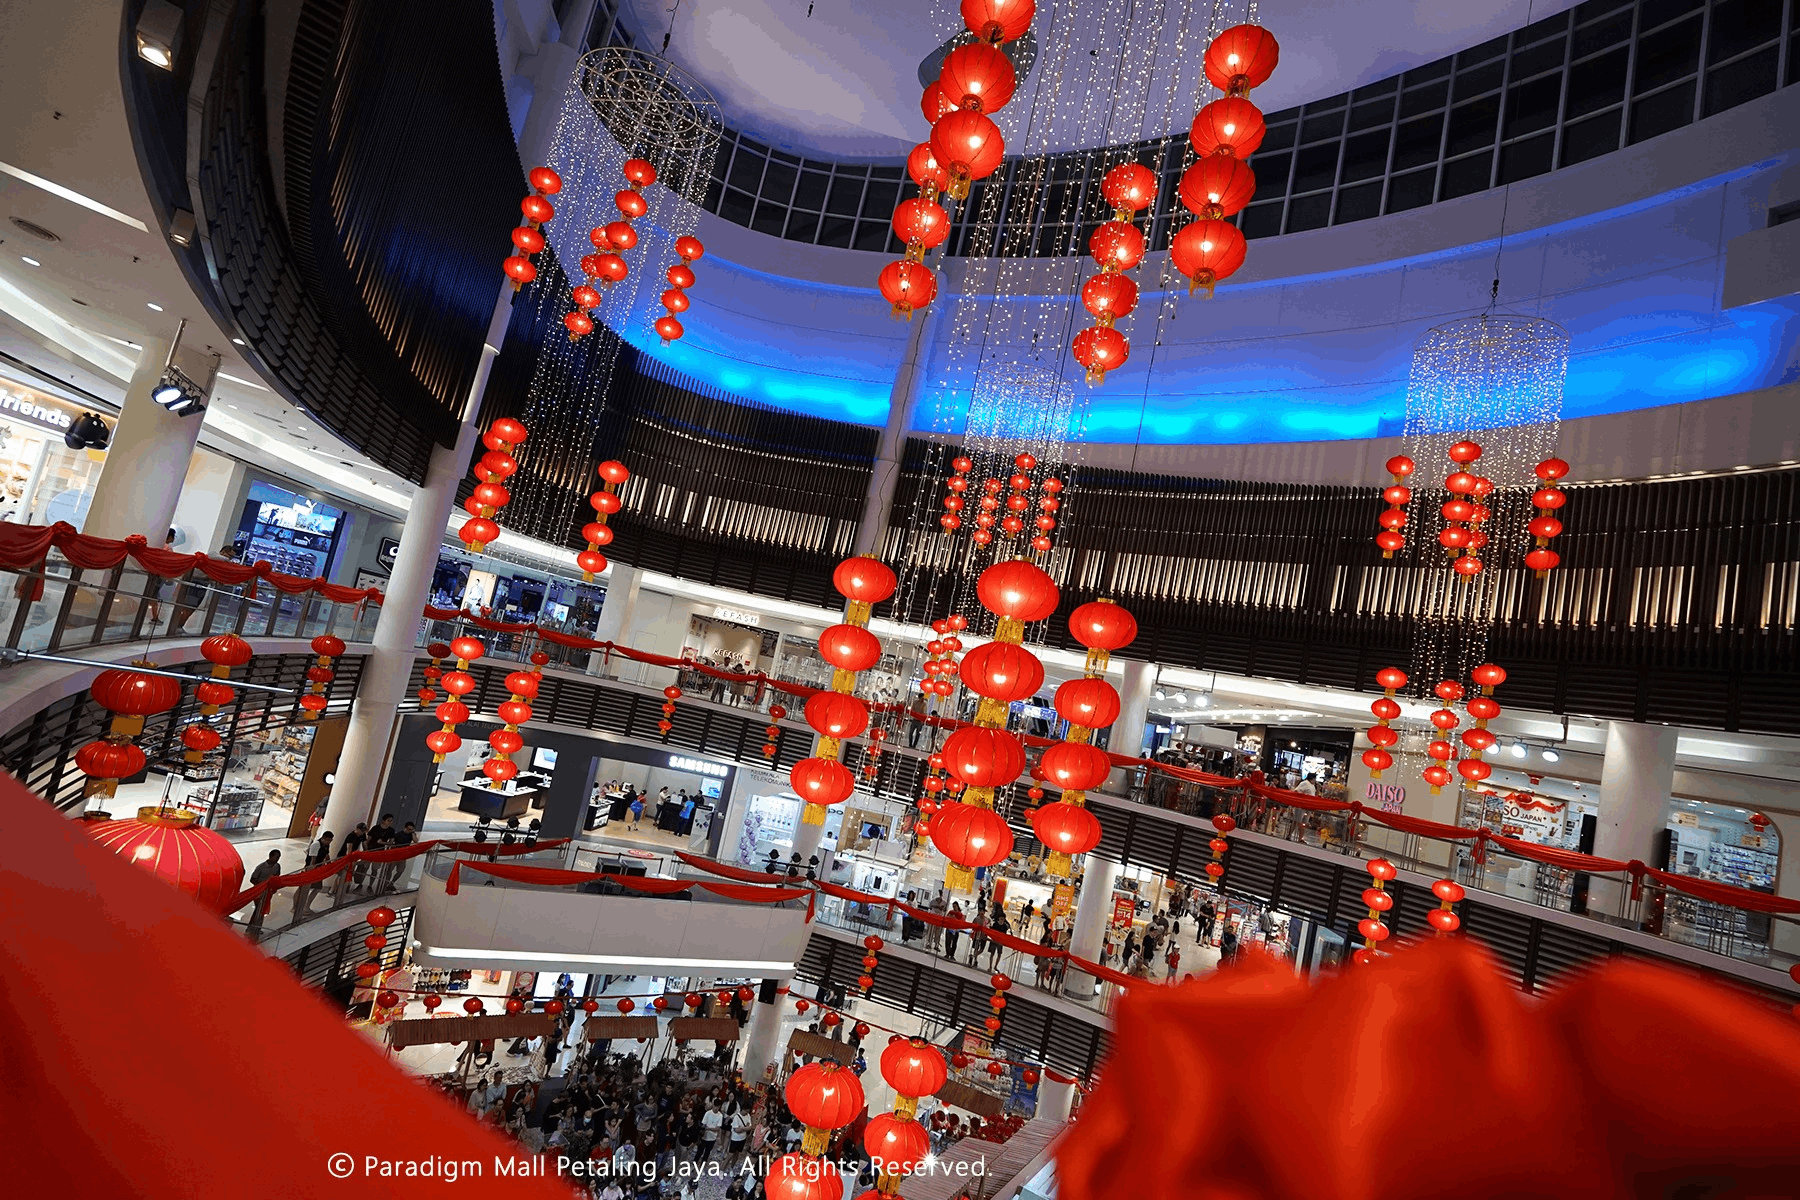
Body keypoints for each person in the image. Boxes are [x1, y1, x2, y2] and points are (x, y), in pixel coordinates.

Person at [245, 850, 282, 934]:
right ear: (270, 856)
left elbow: (277, 876)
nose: (277, 859)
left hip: (268, 892)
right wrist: (263, 883)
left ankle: (257, 928)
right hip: (258, 893)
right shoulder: (260, 867)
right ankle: (250, 929)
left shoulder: (277, 866)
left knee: (262, 910)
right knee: (258, 910)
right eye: (276, 857)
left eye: (278, 857)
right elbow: (252, 879)